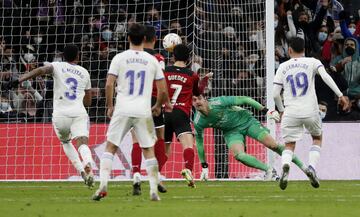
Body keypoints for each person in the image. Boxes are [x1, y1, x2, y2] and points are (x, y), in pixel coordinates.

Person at [92, 23, 169, 201]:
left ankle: (103, 186)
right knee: (148, 149)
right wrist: (158, 105)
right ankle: (153, 191)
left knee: (110, 147)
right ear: (144, 39)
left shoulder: (119, 58)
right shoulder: (153, 60)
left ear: (128, 38)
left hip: (123, 108)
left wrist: (110, 106)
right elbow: (163, 90)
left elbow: (109, 83)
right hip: (143, 110)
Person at [6, 45, 96, 188]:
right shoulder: (84, 73)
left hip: (60, 115)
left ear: (63, 57)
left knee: (66, 142)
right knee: (82, 143)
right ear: (78, 56)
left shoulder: (57, 66)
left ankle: (81, 172)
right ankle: (88, 163)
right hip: (78, 112)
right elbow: (88, 102)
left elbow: (41, 70)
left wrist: (19, 80)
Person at [273, 37, 349, 190]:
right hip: (310, 110)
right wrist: (340, 95)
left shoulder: (282, 66)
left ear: (289, 50)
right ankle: (312, 168)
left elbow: (275, 94)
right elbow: (326, 77)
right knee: (317, 138)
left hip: (290, 111)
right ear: (304, 51)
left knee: (289, 144)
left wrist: (281, 111)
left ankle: (286, 166)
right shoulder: (313, 62)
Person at [192, 95, 308, 181]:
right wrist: (204, 166)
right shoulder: (198, 121)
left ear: (205, 99)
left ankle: (304, 168)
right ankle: (269, 170)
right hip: (231, 132)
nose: (197, 102)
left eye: (199, 99)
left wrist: (266, 111)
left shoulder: (219, 102)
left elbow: (245, 99)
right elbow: (199, 142)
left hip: (247, 122)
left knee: (273, 145)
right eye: (194, 100)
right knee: (239, 155)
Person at [130, 25, 169, 196]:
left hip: (137, 100)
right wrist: (162, 103)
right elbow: (162, 83)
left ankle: (136, 174)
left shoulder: (132, 57)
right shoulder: (159, 58)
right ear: (155, 40)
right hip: (154, 100)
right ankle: (157, 174)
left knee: (136, 140)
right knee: (160, 137)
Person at [163, 44, 200, 187]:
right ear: (189, 59)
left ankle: (156, 175)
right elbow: (197, 93)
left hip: (165, 111)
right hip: (181, 112)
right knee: (188, 145)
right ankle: (188, 170)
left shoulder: (164, 71)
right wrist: (204, 80)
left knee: (164, 150)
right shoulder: (192, 75)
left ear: (173, 56)